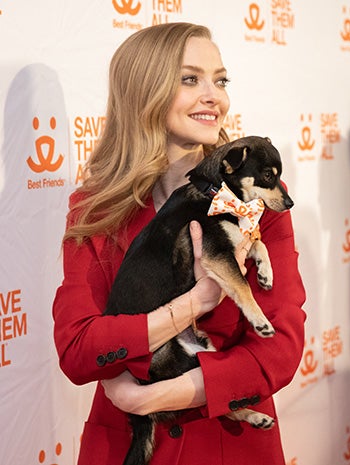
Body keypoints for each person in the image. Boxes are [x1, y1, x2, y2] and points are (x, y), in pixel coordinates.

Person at [52, 23, 306, 465]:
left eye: (220, 80)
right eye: (191, 79)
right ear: (144, 91)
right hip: (124, 449)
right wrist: (195, 302)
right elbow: (78, 350)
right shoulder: (94, 207)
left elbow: (280, 344)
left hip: (228, 444)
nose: (215, 96)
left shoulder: (257, 197)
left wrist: (149, 398)